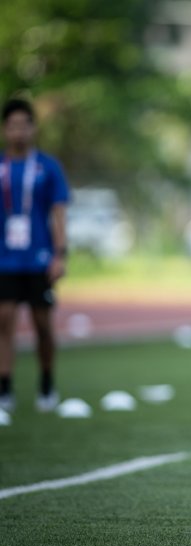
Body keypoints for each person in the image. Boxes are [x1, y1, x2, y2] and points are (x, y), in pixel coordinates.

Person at [0, 98, 70, 414]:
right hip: (5, 260)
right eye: (12, 125)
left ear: (33, 128)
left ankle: (46, 383)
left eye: (23, 125)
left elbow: (58, 212)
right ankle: (5, 388)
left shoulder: (47, 166)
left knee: (42, 324)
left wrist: (60, 254)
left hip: (39, 258)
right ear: (5, 129)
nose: (18, 131)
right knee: (4, 321)